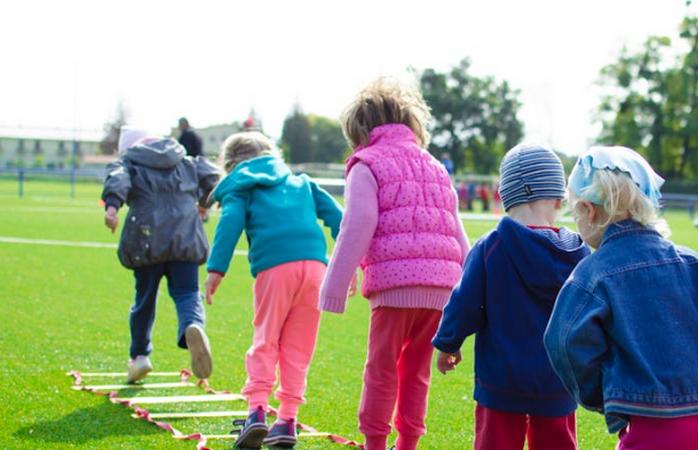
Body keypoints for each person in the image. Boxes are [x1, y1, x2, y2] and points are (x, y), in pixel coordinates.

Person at [544, 146, 698, 450]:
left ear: (589, 211)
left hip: (660, 419)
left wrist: (600, 394)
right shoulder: (693, 261)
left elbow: (563, 340)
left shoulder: (594, 273)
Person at [318, 77, 469, 450]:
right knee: (416, 374)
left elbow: (358, 223)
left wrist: (334, 286)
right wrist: (467, 293)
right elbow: (456, 229)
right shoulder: (434, 165)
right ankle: (408, 444)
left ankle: (375, 444)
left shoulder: (365, 163)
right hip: (442, 289)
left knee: (381, 371)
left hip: (394, 287)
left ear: (360, 129)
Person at [433, 144, 590, 450]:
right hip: (558, 380)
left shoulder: (492, 246)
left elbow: (465, 302)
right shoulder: (580, 253)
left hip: (501, 379)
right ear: (559, 198)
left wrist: (448, 343)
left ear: (505, 195)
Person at [204, 131, 342, 449]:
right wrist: (348, 265)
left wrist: (216, 269)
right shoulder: (302, 182)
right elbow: (340, 219)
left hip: (275, 267)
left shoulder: (241, 186)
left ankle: (256, 413)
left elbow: (230, 222)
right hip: (316, 268)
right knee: (299, 346)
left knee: (266, 339)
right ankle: (287, 421)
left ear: (231, 164)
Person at [102, 126, 219, 384]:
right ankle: (192, 325)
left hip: (146, 238)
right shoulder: (183, 159)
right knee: (188, 292)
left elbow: (118, 179)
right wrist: (204, 203)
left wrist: (112, 207)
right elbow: (211, 176)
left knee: (145, 299)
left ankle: (140, 356)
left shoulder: (130, 162)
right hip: (186, 235)